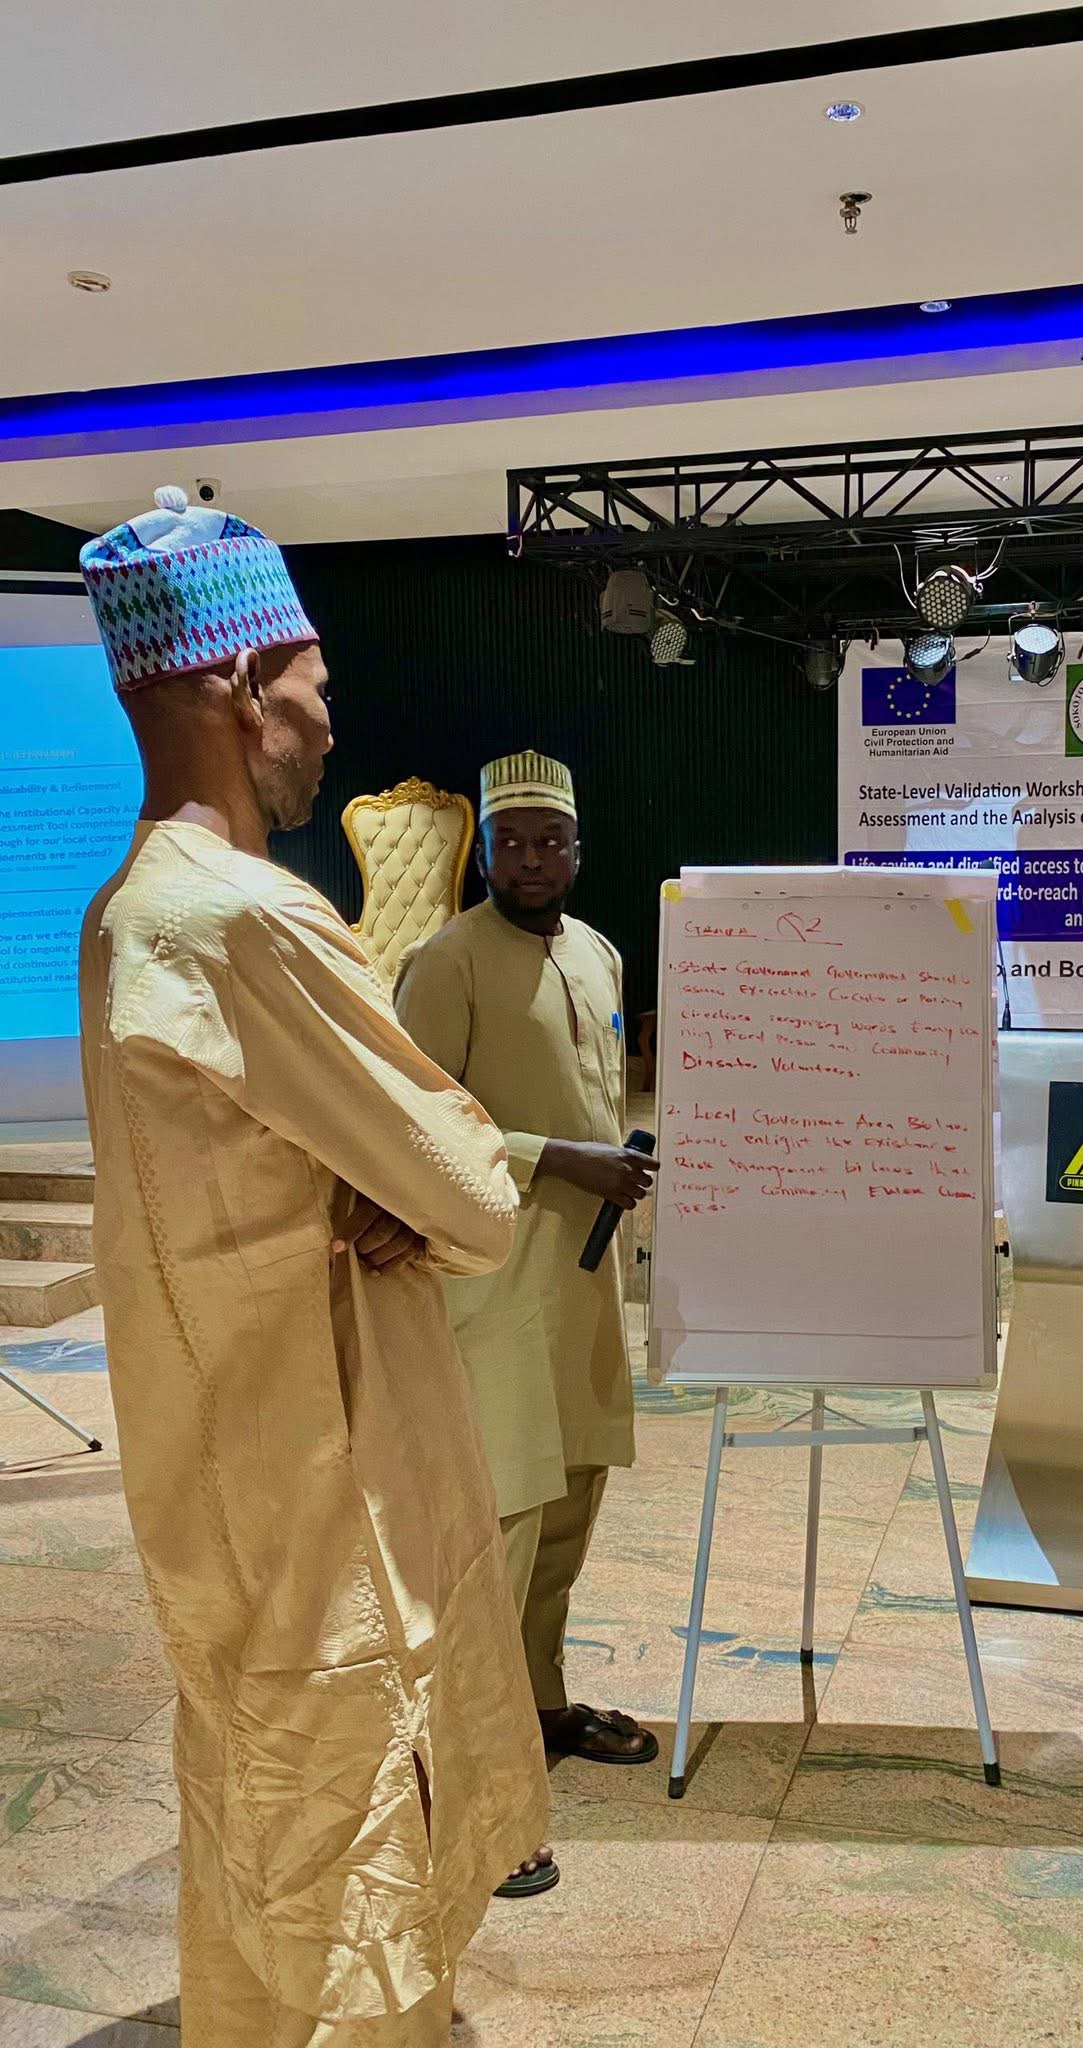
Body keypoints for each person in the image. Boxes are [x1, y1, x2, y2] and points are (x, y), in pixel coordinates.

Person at [76, 488, 552, 2048]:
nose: (330, 723)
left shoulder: (124, 911)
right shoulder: (249, 921)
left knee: (254, 1817)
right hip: (332, 1490)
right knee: (357, 1860)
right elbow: (474, 1194)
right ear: (237, 681)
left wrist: (366, 1177)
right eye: (314, 683)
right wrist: (398, 1181)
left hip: (220, 1475)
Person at [396, 751, 659, 1766]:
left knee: (568, 1504)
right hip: (497, 1284)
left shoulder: (599, 954)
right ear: (485, 855)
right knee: (503, 1512)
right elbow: (412, 1122)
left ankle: (538, 1704)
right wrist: (558, 1156)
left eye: (551, 841)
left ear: (578, 851)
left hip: (585, 1279)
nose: (532, 859)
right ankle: (471, 1746)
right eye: (512, 843)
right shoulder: (447, 961)